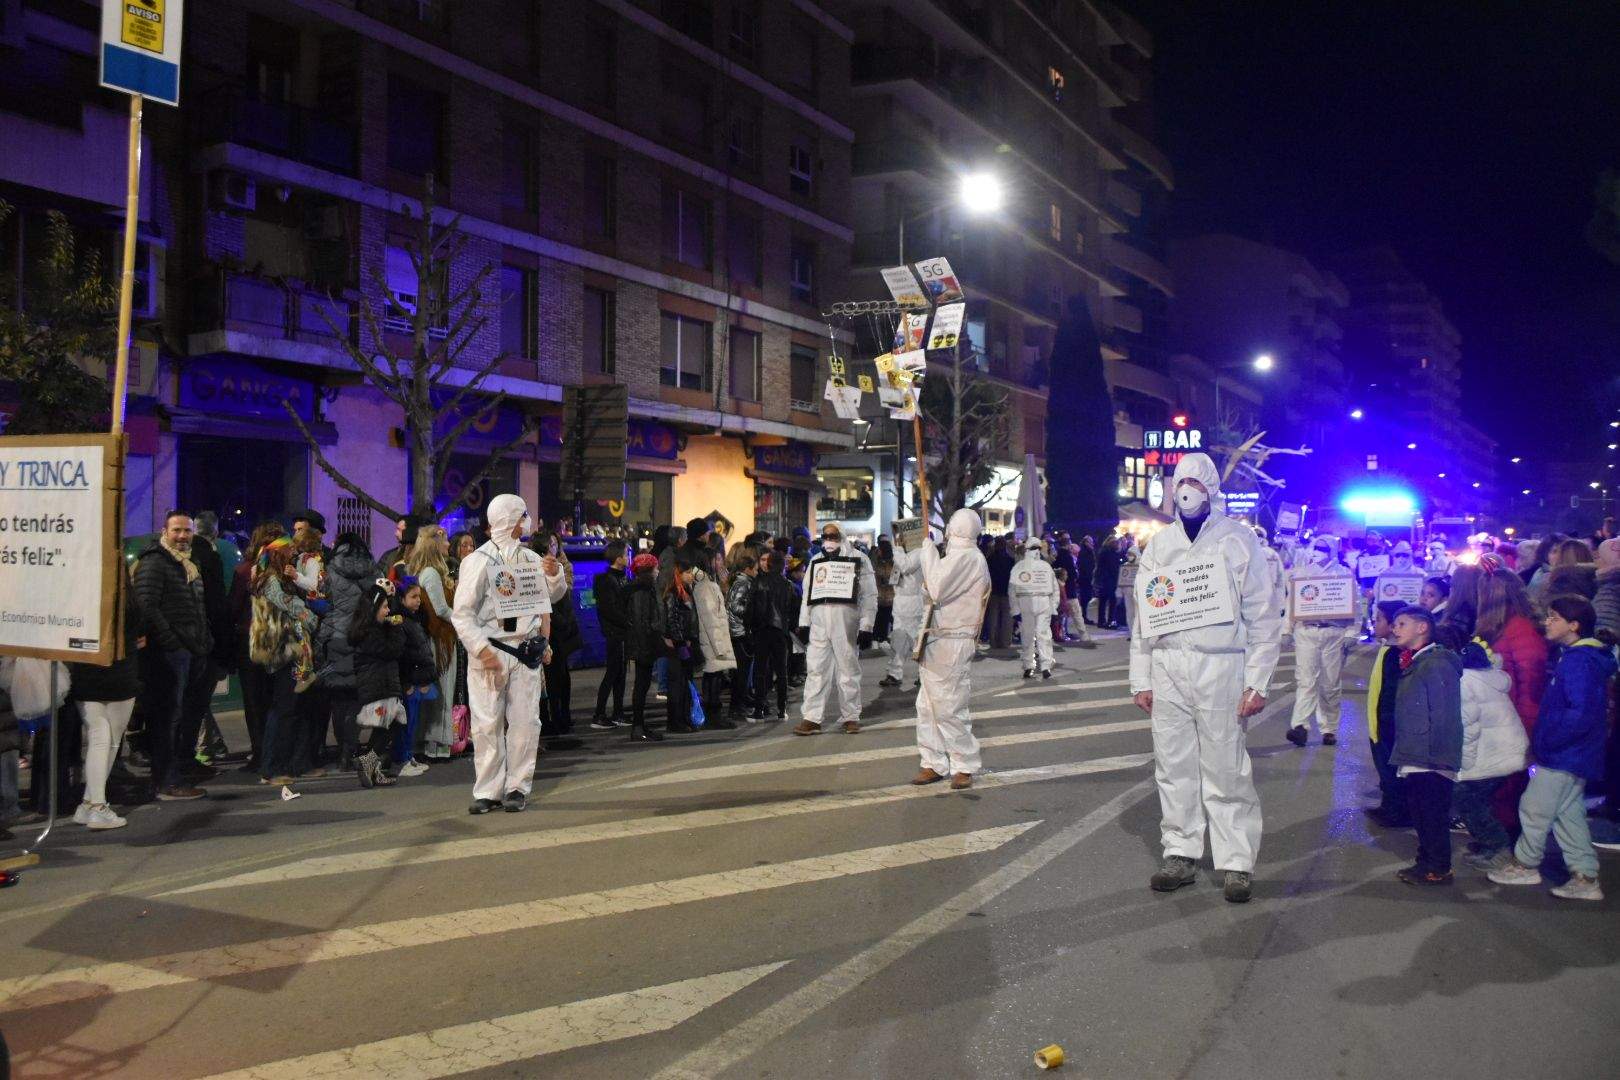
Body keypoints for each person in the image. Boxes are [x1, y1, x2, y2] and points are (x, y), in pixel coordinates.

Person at [1129, 453, 1281, 904]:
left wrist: (1258, 680)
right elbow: (1144, 617)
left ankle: (1235, 862)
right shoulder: (1159, 546)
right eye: (1181, 480)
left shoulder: (1237, 541)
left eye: (1195, 480)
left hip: (1221, 667)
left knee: (1226, 767)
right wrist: (1141, 678)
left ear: (1211, 487)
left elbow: (1263, 614)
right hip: (1169, 666)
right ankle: (1180, 851)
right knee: (1173, 766)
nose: (1186, 488)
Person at [1487, 595, 1613, 900]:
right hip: (1573, 752)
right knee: (1567, 814)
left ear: (1574, 625)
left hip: (1565, 753)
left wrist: (1550, 741)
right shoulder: (1579, 658)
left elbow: (1579, 712)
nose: (1547, 622)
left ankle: (1526, 864)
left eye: (1555, 618)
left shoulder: (1580, 661)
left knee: (1534, 807)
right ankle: (1584, 877)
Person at [450, 494, 552, 814]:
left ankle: (517, 787)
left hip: (524, 653)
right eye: (523, 516)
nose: (527, 522)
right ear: (510, 520)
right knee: (486, 724)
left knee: (524, 722)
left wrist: (553, 575)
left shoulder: (531, 559)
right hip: (490, 653)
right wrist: (481, 649)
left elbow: (545, 604)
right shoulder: (477, 561)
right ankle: (488, 789)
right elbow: (462, 615)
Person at [133, 511, 216, 801]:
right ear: (164, 531)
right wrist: (170, 641)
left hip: (189, 650)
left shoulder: (187, 564)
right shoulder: (155, 562)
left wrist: (202, 641)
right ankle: (165, 781)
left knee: (177, 718)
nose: (182, 536)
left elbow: (196, 608)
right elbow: (147, 606)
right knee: (166, 720)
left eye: (187, 531)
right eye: (177, 530)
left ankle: (172, 776)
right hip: (167, 655)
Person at [912, 509, 991, 790]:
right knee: (927, 706)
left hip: (953, 640)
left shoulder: (967, 558)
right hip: (938, 638)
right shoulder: (959, 557)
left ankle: (964, 764)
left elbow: (937, 588)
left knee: (948, 705)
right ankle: (932, 762)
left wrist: (927, 551)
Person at [1387, 605, 1464, 886]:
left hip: (1430, 757)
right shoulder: (1419, 661)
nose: (1396, 629)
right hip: (1417, 753)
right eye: (1395, 624)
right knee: (1421, 813)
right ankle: (1426, 862)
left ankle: (1438, 867)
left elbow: (1444, 714)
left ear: (1422, 628)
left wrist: (1438, 758)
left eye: (1402, 623)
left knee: (1431, 814)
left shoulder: (1436, 663)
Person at [67, 584, 145, 829]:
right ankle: (97, 806)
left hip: (85, 669)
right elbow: (138, 626)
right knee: (108, 740)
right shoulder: (125, 594)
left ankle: (89, 803)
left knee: (98, 738)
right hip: (119, 671)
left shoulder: (79, 590)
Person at [793, 523, 878, 736]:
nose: (829, 539)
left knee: (847, 670)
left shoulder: (859, 559)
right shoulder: (816, 560)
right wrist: (804, 623)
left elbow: (869, 596)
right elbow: (807, 595)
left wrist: (867, 626)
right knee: (816, 670)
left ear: (841, 536)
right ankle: (812, 718)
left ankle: (850, 716)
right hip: (819, 624)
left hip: (846, 623)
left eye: (833, 535)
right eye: (826, 535)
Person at [249, 537, 322, 786]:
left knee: (297, 710)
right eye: (288, 552)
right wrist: (310, 616)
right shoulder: (270, 581)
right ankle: (271, 768)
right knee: (283, 710)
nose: (293, 556)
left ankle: (297, 763)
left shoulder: (282, 579)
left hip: (295, 650)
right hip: (283, 651)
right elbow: (289, 605)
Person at [1453, 639, 1529, 873]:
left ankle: (1497, 848)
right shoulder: (1490, 678)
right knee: (1480, 802)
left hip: (1489, 757)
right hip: (1508, 752)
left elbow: (1469, 728)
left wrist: (1463, 768)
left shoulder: (1464, 682)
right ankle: (1489, 844)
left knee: (1466, 800)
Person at [1285, 534, 1356, 748]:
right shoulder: (1302, 574)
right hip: (1306, 631)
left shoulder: (1344, 575)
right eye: (1317, 547)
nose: (1319, 552)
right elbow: (1291, 604)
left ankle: (1329, 728)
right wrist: (1286, 629)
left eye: (1324, 549)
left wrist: (1352, 632)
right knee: (1306, 681)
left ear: (1332, 550)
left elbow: (1355, 607)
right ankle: (1300, 726)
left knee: (1330, 684)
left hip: (1334, 634)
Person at [227, 521, 286, 770]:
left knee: (255, 702)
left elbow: (234, 608)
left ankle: (261, 754)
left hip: (250, 642)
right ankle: (276, 754)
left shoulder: (244, 571)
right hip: (281, 641)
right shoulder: (286, 572)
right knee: (277, 701)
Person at [314, 532, 374, 772]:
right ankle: (352, 747)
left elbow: (322, 603)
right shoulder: (373, 569)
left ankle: (343, 752)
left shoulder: (329, 571)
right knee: (358, 698)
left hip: (337, 639)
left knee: (339, 699)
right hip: (364, 639)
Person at [347, 579, 408, 789]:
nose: (388, 611)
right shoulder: (371, 632)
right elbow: (393, 650)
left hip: (383, 684)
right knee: (390, 725)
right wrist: (396, 629)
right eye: (384, 607)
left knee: (392, 725)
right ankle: (367, 760)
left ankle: (373, 768)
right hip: (378, 686)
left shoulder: (373, 629)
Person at [406, 525, 458, 759]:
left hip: (434, 639)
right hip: (440, 641)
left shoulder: (421, 571)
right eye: (445, 540)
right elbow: (440, 609)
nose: (448, 545)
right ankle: (437, 744)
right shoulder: (432, 574)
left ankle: (429, 742)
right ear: (435, 545)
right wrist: (464, 618)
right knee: (443, 692)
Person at [1364, 600, 1410, 828]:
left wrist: (1385, 722)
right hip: (1378, 722)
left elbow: (1391, 692)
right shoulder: (1389, 650)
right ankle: (1389, 806)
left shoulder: (1395, 655)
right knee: (1384, 769)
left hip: (1385, 724)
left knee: (1390, 770)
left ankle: (1395, 812)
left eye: (1379, 618)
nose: (1374, 621)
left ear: (1393, 626)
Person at [537, 531, 581, 739]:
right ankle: (550, 719)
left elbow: (561, 594)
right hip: (547, 628)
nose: (552, 548)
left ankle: (563, 714)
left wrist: (556, 575)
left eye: (555, 543)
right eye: (549, 544)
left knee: (562, 676)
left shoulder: (562, 566)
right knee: (549, 678)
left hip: (562, 626)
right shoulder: (534, 566)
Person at [748, 550, 796, 721]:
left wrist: (751, 627)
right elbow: (791, 609)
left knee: (760, 671)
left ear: (768, 564)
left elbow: (751, 608)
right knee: (782, 672)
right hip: (780, 631)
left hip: (761, 630)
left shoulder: (758, 582)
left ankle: (759, 709)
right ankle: (782, 710)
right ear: (783, 566)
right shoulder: (788, 585)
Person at [622, 553, 666, 741]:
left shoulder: (645, 588)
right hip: (643, 644)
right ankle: (638, 727)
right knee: (641, 685)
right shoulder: (641, 590)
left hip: (645, 643)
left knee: (643, 684)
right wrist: (648, 642)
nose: (658, 571)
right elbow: (641, 620)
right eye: (655, 568)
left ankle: (640, 726)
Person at [691, 559, 739, 729]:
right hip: (712, 641)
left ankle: (714, 714)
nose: (721, 562)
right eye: (717, 559)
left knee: (715, 676)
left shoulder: (710, 584)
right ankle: (713, 716)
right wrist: (719, 647)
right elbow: (710, 618)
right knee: (713, 677)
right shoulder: (705, 587)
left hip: (715, 639)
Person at [590, 541, 631, 730]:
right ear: (618, 557)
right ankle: (599, 714)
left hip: (623, 632)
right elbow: (609, 609)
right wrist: (629, 622)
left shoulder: (624, 577)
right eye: (626, 553)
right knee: (613, 672)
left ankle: (618, 712)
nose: (628, 557)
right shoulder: (605, 579)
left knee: (621, 674)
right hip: (615, 632)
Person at [663, 554, 704, 733]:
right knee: (677, 683)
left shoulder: (686, 591)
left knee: (685, 681)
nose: (690, 575)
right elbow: (672, 620)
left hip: (687, 642)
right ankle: (675, 720)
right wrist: (681, 641)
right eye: (686, 572)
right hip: (679, 645)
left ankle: (684, 717)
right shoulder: (673, 593)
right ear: (678, 573)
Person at [882, 531, 926, 689]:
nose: (899, 539)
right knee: (898, 641)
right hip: (900, 603)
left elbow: (906, 567)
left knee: (917, 641)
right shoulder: (902, 553)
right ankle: (894, 673)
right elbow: (896, 575)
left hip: (914, 603)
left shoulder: (920, 552)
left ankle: (924, 674)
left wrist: (897, 549)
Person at [1013, 538, 1057, 679]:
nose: (1036, 551)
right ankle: (1031, 665)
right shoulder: (1021, 567)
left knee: (1041, 636)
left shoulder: (1043, 567)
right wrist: (1015, 609)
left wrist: (1053, 606)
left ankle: (1043, 666)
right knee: (1030, 636)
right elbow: (1012, 590)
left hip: (1039, 605)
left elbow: (1054, 588)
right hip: (1028, 605)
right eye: (1034, 548)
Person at [725, 550, 758, 721]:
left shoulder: (741, 582)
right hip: (740, 632)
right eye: (755, 569)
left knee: (742, 673)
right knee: (741, 673)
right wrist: (752, 611)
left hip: (739, 631)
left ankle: (739, 705)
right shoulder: (743, 583)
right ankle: (737, 707)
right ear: (748, 569)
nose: (757, 572)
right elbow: (734, 606)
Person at [983, 537, 1015, 648]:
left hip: (993, 591)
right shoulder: (1010, 559)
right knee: (1007, 617)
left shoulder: (989, 559)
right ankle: (1005, 642)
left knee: (993, 617)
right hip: (1006, 591)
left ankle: (993, 641)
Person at [1094, 536, 1122, 628]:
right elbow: (1112, 567)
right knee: (1111, 600)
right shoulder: (1108, 552)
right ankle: (1110, 620)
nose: (1117, 545)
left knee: (1103, 601)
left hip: (1105, 579)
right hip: (1108, 579)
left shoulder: (1104, 551)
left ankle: (1102, 621)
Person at [871, 537, 896, 644]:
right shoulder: (876, 560)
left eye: (880, 549)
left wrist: (887, 580)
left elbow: (895, 578)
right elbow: (873, 573)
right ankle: (877, 637)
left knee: (887, 617)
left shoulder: (893, 562)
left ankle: (884, 637)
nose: (878, 551)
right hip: (879, 595)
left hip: (891, 596)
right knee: (879, 617)